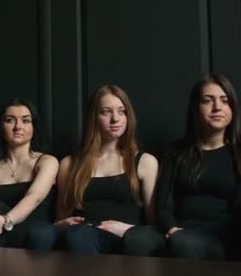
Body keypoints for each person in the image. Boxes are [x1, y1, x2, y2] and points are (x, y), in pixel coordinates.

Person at [27, 85, 159, 255]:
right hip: (81, 234)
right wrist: (63, 225)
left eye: (121, 111)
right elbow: (61, 217)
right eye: (106, 112)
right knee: (40, 232)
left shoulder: (145, 162)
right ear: (93, 117)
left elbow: (154, 224)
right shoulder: (70, 163)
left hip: (124, 236)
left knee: (79, 234)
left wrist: (127, 230)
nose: (115, 119)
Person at [155, 73, 241, 259]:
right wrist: (172, 229)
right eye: (208, 100)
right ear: (196, 108)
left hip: (222, 239)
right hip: (177, 232)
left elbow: (239, 214)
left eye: (224, 101)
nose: (217, 107)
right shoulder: (175, 152)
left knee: (182, 243)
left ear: (232, 108)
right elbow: (162, 206)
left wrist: (184, 235)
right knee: (138, 238)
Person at [0, 98, 58, 248]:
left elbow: (34, 197)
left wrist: (5, 221)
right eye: (10, 120)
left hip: (34, 231)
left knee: (40, 234)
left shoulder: (47, 162)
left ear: (34, 127)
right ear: (1, 127)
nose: (18, 127)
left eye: (26, 121)